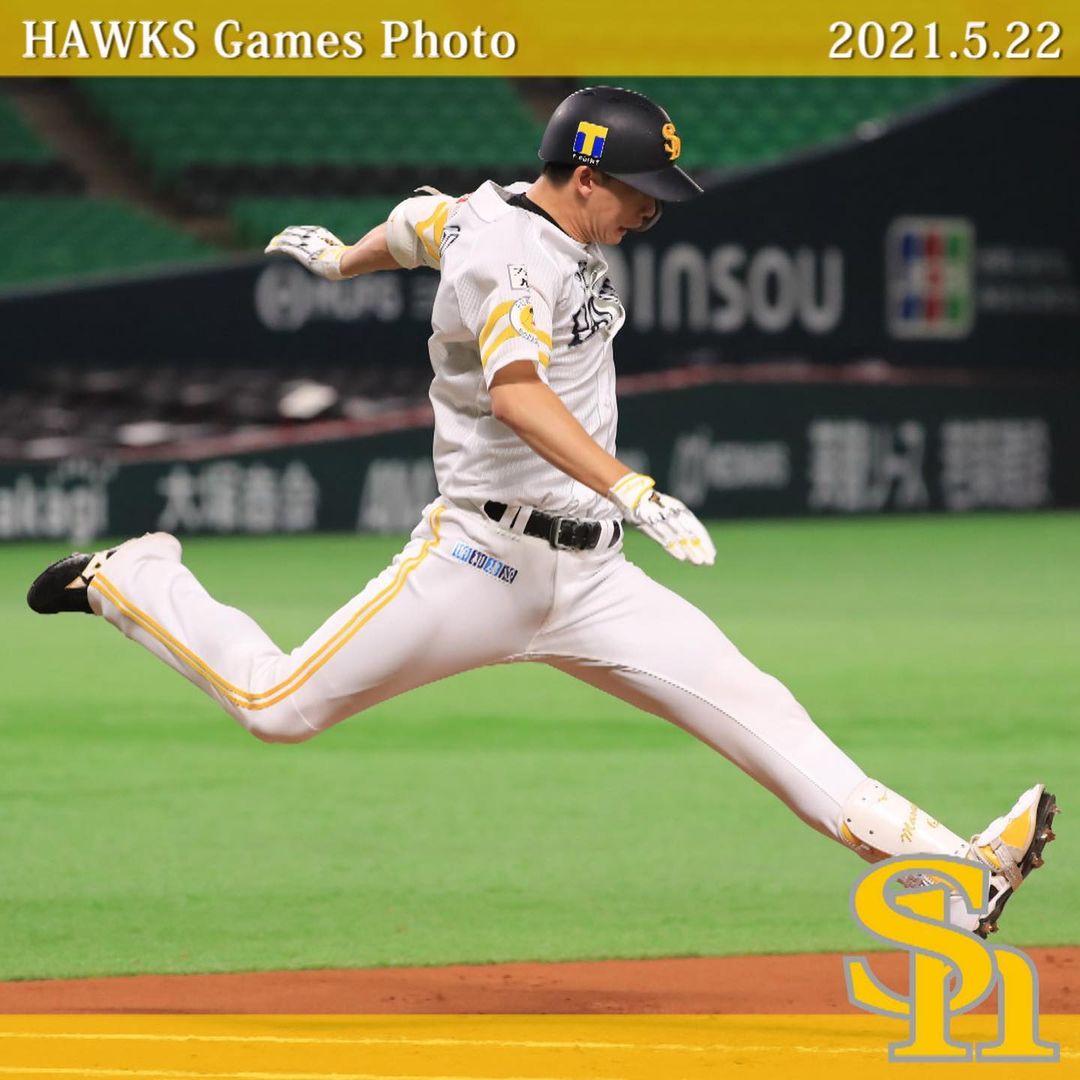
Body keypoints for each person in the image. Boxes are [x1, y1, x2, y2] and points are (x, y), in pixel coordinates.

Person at [28, 86, 1055, 938]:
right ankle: (134, 577)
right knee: (277, 708)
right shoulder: (512, 259)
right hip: (480, 561)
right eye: (639, 192)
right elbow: (517, 394)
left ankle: (959, 876)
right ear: (585, 177)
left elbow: (418, 225)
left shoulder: (491, 219)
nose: (651, 211)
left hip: (594, 580)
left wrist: (344, 258)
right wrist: (630, 485)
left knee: (768, 721)